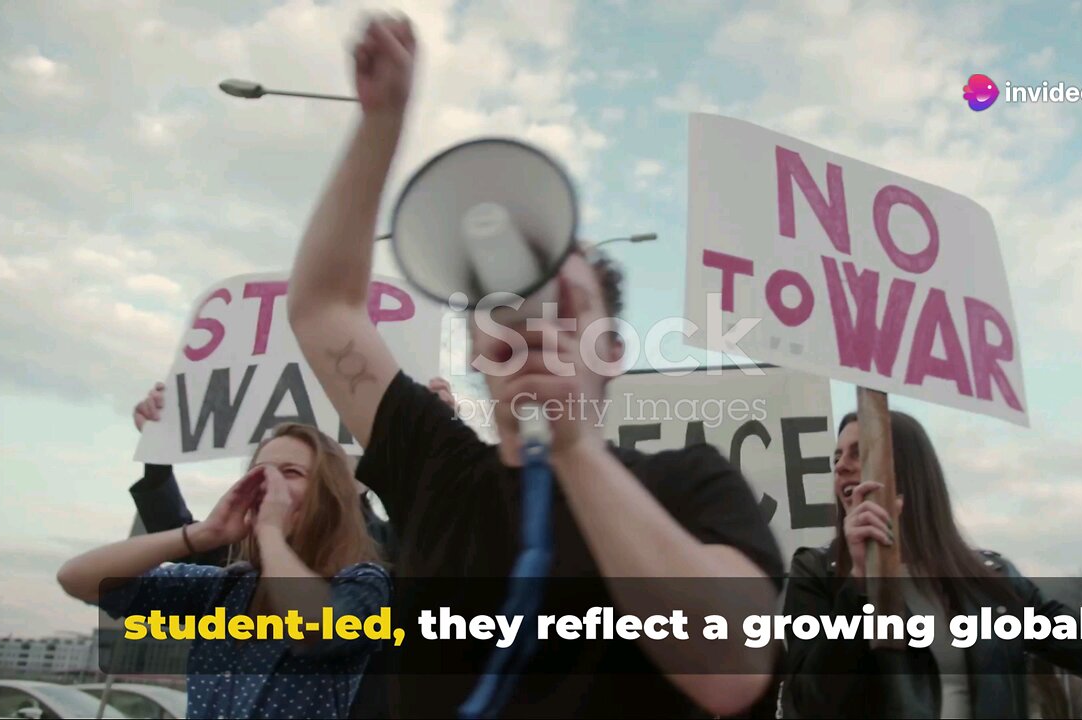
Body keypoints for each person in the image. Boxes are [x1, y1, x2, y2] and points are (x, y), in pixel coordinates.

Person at [285, 12, 783, 719]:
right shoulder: (438, 471)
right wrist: (379, 126)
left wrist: (571, 440)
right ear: (477, 349)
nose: (533, 318)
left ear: (612, 353)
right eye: (506, 303)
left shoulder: (690, 483)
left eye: (564, 300)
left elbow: (731, 670)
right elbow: (323, 308)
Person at [780, 410, 1082, 719]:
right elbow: (809, 702)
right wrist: (863, 587)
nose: (840, 466)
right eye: (836, 456)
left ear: (907, 471)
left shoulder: (992, 582)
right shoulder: (817, 576)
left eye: (859, 454)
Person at [58, 423, 391, 720]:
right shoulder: (224, 588)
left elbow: (315, 628)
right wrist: (201, 534)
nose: (268, 484)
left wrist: (271, 533)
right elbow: (78, 579)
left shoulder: (363, 583)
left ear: (328, 495)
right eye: (260, 472)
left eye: (290, 472)